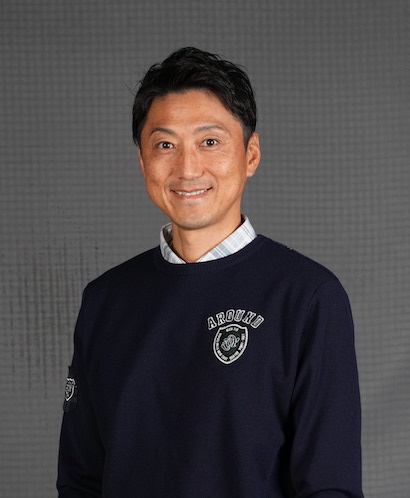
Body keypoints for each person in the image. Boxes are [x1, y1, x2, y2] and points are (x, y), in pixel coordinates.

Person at [57, 47, 363, 497]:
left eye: (210, 142)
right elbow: (80, 480)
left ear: (251, 154)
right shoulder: (105, 300)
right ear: (142, 160)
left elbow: (329, 487)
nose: (187, 169)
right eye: (165, 145)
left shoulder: (308, 297)